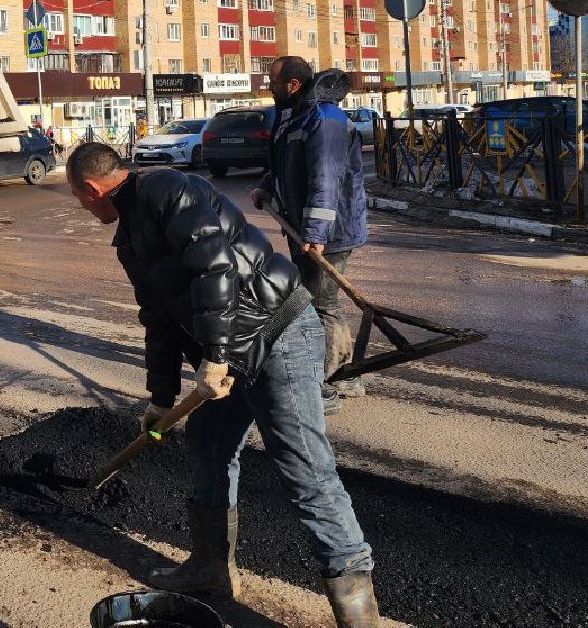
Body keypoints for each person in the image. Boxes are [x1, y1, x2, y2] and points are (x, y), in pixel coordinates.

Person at [67, 141, 379, 627]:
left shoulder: (169, 190)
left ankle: (358, 611)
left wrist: (213, 357)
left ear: (90, 190)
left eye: (78, 200)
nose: (83, 210)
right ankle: (211, 568)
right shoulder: (131, 237)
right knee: (209, 451)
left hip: (277, 334)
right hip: (230, 353)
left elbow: (215, 266)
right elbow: (159, 319)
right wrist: (160, 399)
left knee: (306, 472)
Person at [251, 56, 368, 413]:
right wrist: (267, 186)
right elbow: (287, 164)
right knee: (317, 300)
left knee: (321, 302)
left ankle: (333, 379)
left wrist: (317, 232)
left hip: (330, 231)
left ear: (293, 84)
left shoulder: (325, 120)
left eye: (272, 80)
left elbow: (326, 179)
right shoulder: (297, 116)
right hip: (306, 229)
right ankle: (342, 373)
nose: (268, 85)